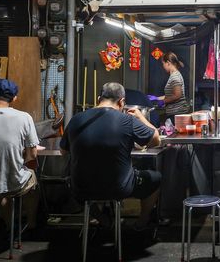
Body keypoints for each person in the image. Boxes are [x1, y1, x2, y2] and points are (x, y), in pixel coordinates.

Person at [60, 82, 161, 230]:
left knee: (71, 182)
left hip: (81, 188)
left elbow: (64, 151)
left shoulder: (76, 120)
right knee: (155, 178)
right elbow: (156, 139)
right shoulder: (127, 120)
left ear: (99, 98)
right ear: (121, 102)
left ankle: (103, 220)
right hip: (119, 188)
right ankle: (141, 222)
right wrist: (140, 117)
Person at [0, 79, 39, 230]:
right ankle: (31, 224)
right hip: (12, 185)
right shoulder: (24, 117)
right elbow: (33, 155)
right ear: (14, 98)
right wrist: (20, 158)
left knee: (0, 181)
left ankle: (9, 225)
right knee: (33, 182)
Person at [160, 52, 190, 122]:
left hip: (177, 113)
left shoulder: (175, 76)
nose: (163, 66)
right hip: (175, 113)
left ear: (168, 63)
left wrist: (163, 101)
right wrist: (156, 98)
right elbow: (171, 94)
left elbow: (177, 95)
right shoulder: (174, 75)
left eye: (163, 64)